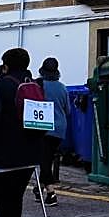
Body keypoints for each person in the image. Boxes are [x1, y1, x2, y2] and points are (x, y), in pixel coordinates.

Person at [0, 48, 43, 217]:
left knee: (2, 204)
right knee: (15, 202)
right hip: (30, 153)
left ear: (6, 64)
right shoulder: (36, 85)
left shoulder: (2, 85)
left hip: (5, 154)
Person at [36, 56, 71, 207]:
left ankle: (51, 193)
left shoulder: (38, 85)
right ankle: (39, 189)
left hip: (43, 127)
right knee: (47, 158)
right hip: (60, 128)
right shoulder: (62, 87)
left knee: (43, 160)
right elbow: (68, 110)